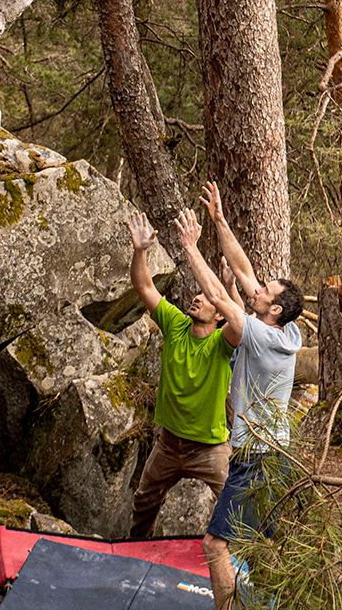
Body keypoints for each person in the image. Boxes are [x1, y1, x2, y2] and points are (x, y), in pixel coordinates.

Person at [173, 184, 304, 610]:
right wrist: (219, 220)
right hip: (275, 454)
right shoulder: (287, 331)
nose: (256, 289)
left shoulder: (264, 337)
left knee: (216, 544)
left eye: (264, 290)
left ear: (274, 310)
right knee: (259, 547)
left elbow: (217, 295)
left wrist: (190, 247)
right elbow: (244, 270)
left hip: (256, 456)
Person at [126, 210, 242, 539]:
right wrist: (140, 250)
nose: (197, 297)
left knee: (234, 505)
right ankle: (135, 551)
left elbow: (239, 322)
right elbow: (143, 285)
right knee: (144, 501)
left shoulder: (222, 343)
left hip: (209, 449)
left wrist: (229, 292)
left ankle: (239, 564)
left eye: (206, 297)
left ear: (219, 314)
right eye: (198, 293)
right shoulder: (176, 324)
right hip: (168, 444)